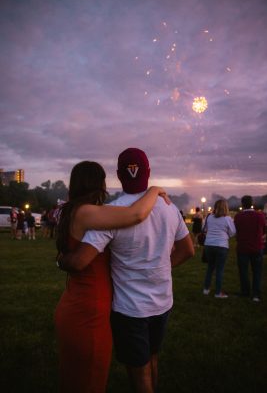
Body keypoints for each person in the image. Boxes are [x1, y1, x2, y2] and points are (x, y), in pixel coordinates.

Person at [60, 148, 194, 393]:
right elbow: (188, 250)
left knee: (139, 371)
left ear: (119, 175)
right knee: (153, 359)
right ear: (149, 172)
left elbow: (80, 260)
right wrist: (163, 266)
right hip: (162, 301)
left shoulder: (110, 215)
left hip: (129, 308)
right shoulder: (168, 207)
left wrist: (61, 260)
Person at [234, 195, 266, 302]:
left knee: (243, 271)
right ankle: (256, 294)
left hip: (242, 247)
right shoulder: (260, 216)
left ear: (242, 204)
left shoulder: (238, 217)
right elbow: (263, 228)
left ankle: (245, 292)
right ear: (252, 203)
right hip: (257, 247)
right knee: (257, 271)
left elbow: (236, 231)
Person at [203, 199, 236, 298]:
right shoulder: (227, 219)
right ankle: (218, 293)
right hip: (221, 245)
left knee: (210, 268)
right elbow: (233, 232)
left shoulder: (209, 217)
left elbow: (204, 229)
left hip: (209, 244)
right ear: (226, 208)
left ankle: (206, 289)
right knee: (219, 270)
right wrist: (227, 235)